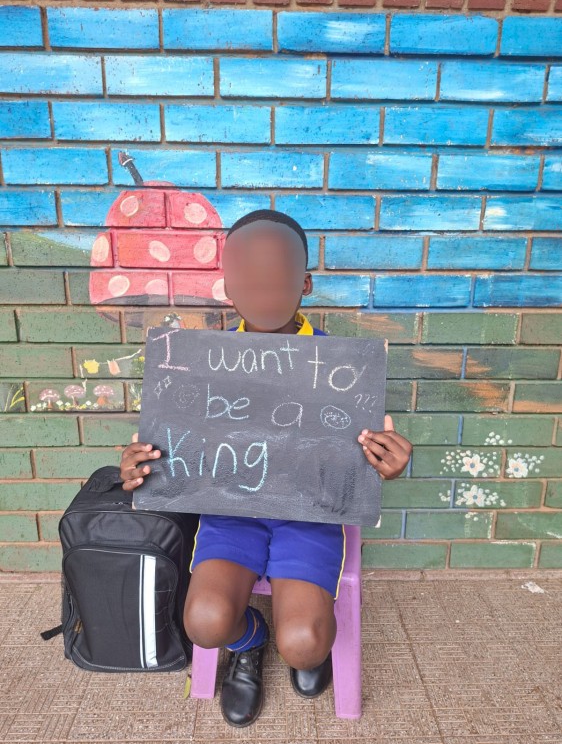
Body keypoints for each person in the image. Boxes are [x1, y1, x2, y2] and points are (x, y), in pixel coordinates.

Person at [119, 210, 413, 727]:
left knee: (303, 644)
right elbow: (172, 448)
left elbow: (360, 453)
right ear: (227, 287)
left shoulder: (342, 365)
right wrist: (138, 465)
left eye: (278, 282)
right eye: (251, 283)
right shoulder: (197, 360)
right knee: (205, 623)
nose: (265, 295)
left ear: (306, 283)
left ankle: (305, 643)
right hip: (231, 511)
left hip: (311, 514)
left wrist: (384, 465)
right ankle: (250, 639)